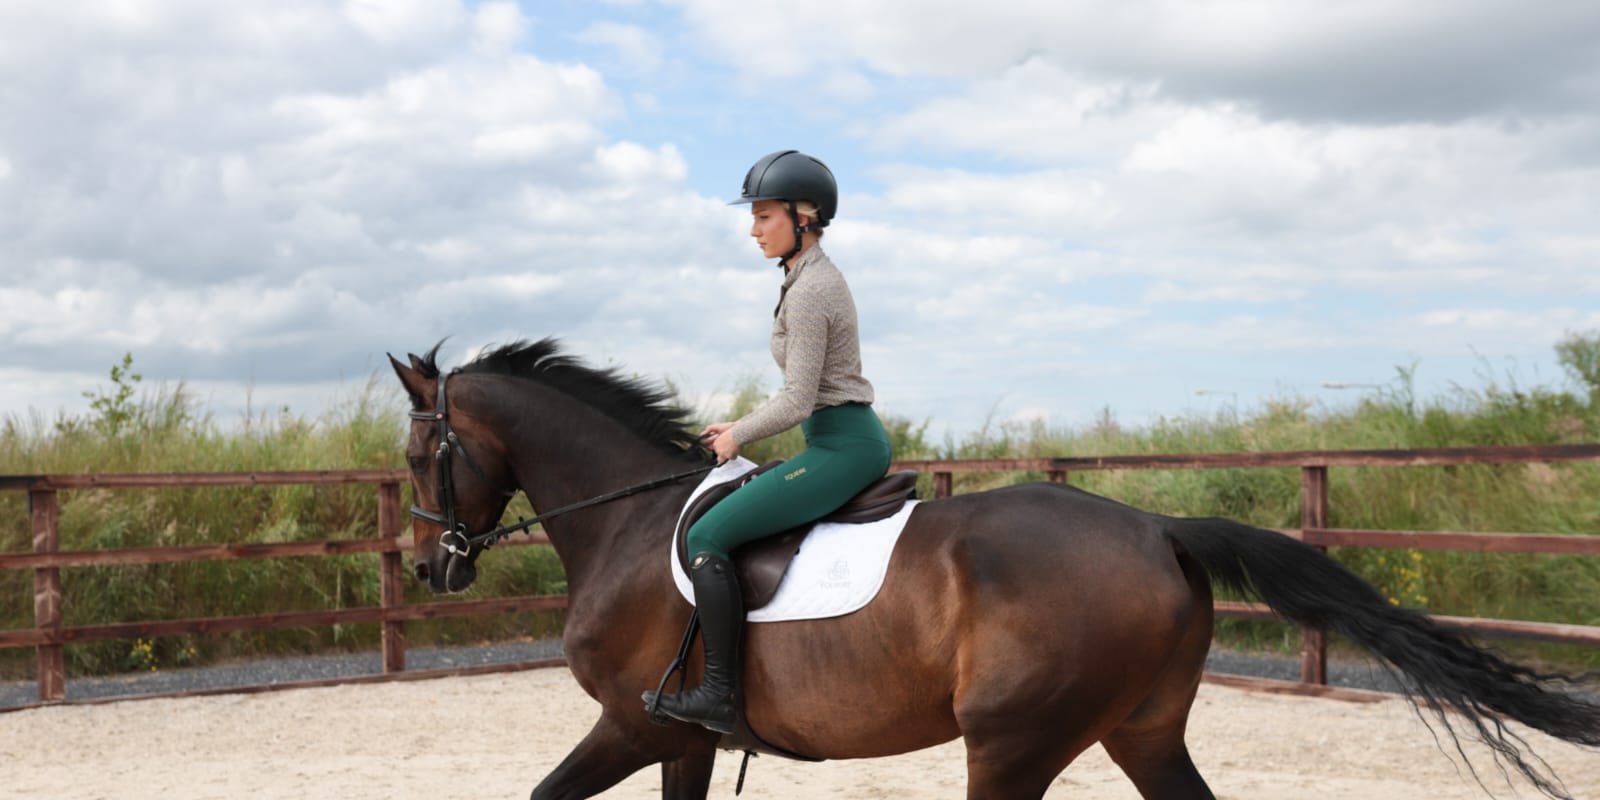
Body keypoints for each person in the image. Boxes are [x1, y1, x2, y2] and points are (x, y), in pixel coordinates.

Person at [645, 150, 892, 733]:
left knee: (707, 534)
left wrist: (737, 435)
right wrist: (737, 426)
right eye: (753, 219)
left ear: (803, 218)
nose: (753, 230)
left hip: (842, 445)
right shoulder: (800, 277)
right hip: (834, 438)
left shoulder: (810, 290)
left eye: (764, 217)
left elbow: (798, 400)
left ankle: (720, 694)